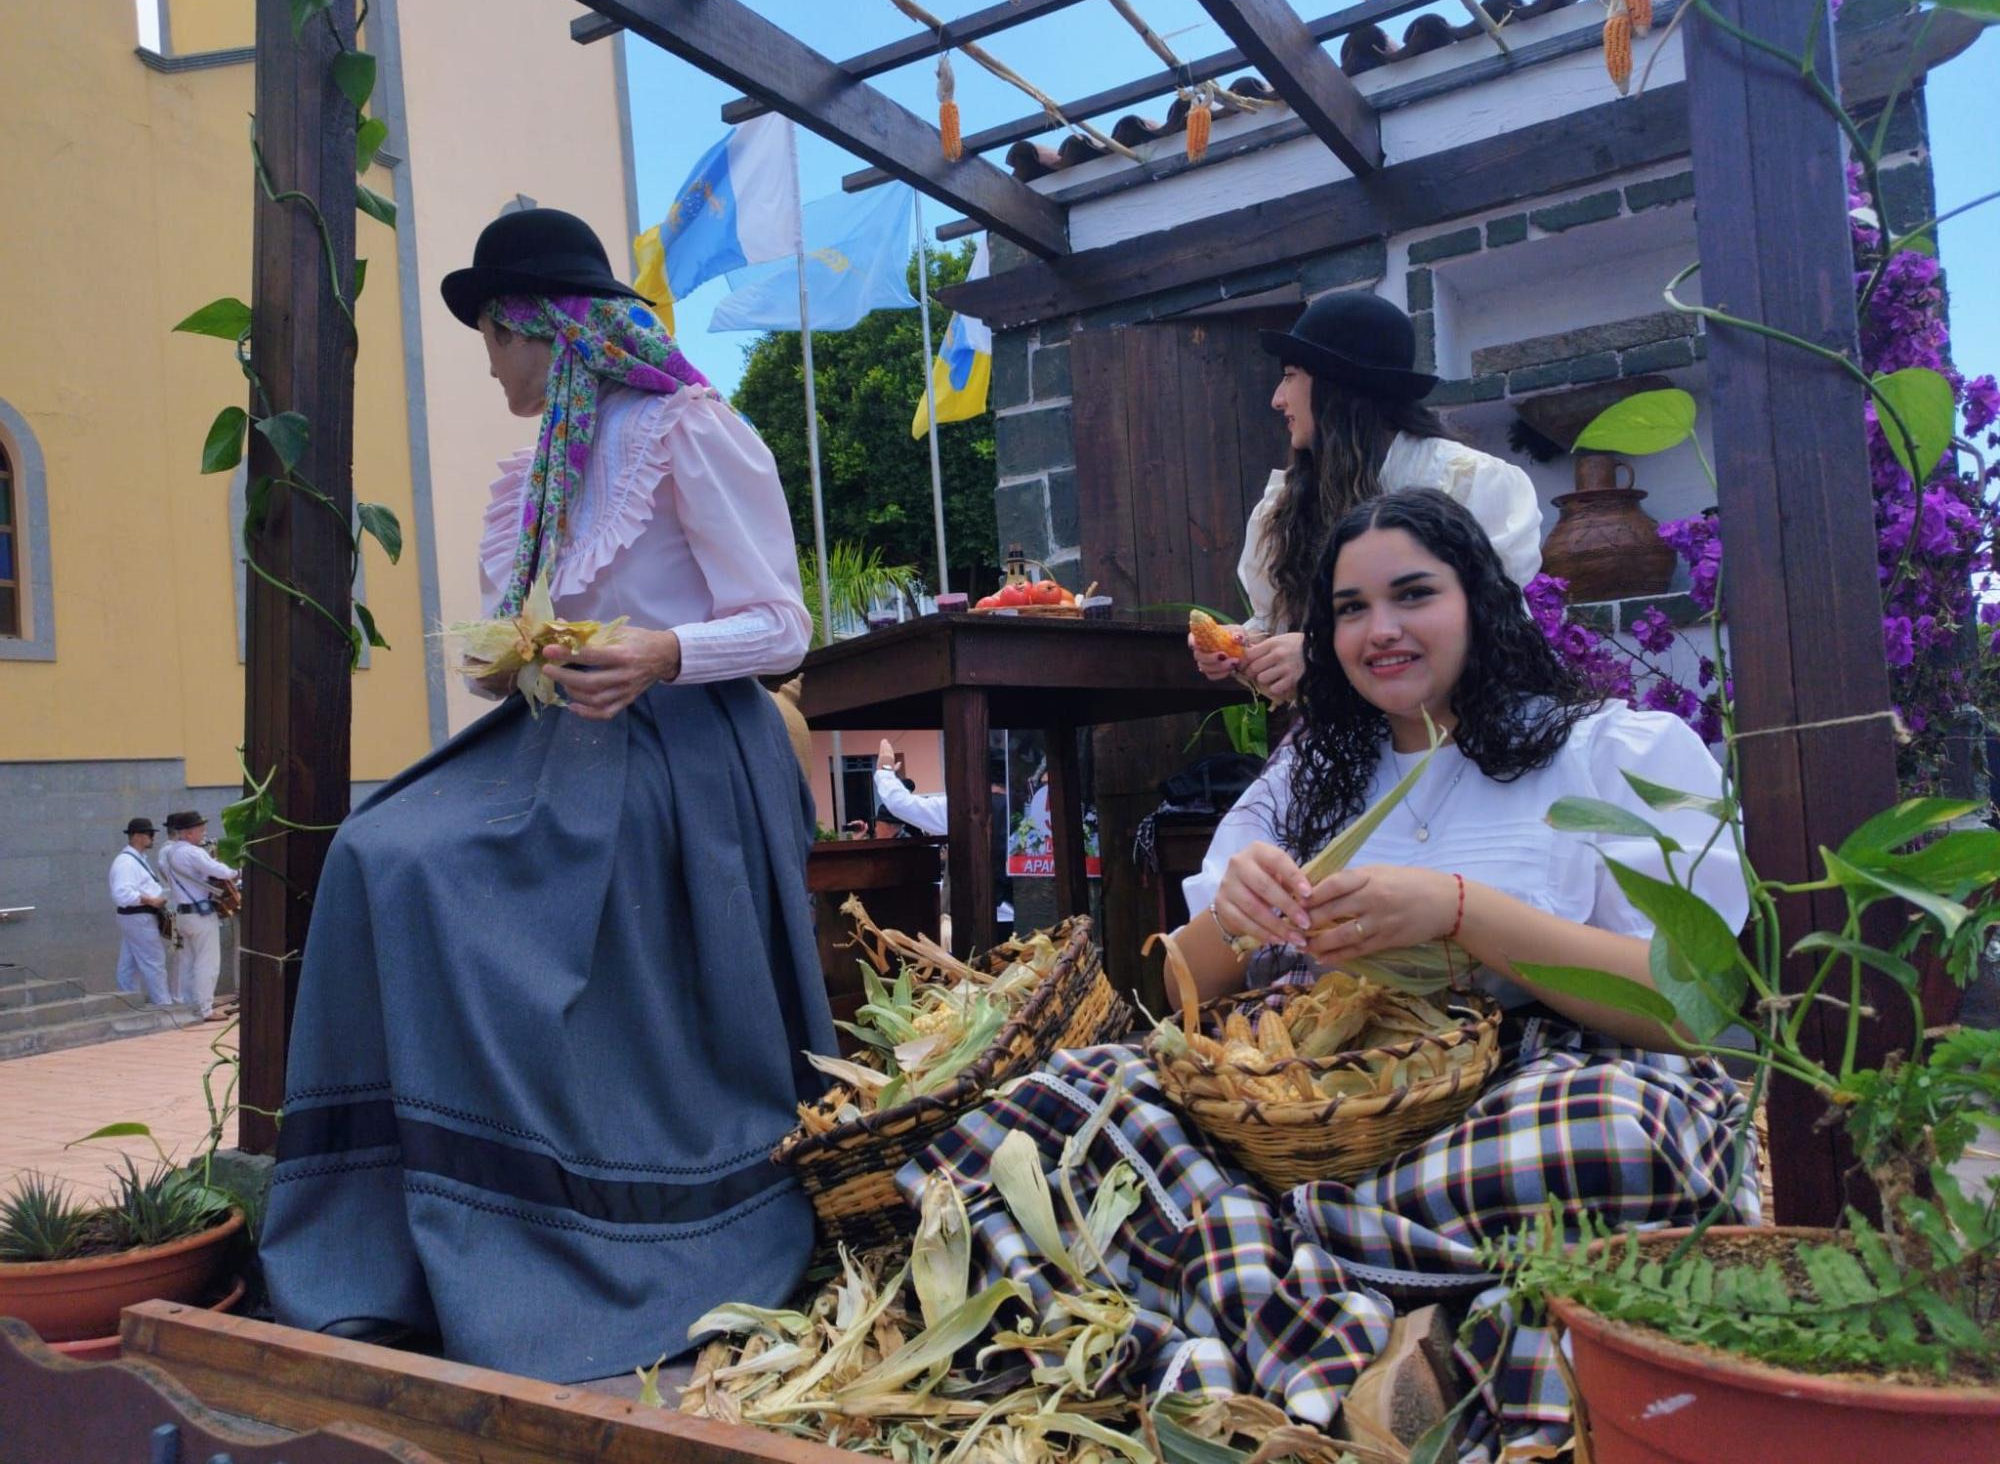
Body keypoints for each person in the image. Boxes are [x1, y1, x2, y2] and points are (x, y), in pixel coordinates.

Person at [912, 491, 1753, 1458]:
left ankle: (1276, 1297)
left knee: (1614, 1130)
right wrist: (1237, 911)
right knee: (1069, 1098)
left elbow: (1689, 1009)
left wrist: (1461, 912)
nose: (1379, 630)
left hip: (1518, 1092)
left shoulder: (1602, 752)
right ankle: (1384, 1336)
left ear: (1480, 601)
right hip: (1306, 1114)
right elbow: (1178, 980)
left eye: (1412, 595)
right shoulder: (1309, 774)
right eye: (1350, 609)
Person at [258, 207, 837, 1383]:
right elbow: (506, 655)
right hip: (555, 743)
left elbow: (783, 623)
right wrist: (511, 652)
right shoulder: (532, 476)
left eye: (495, 336)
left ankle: (587, 1211)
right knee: (379, 849)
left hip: (687, 746)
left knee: (445, 877)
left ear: (546, 331)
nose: (487, 360)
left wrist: (662, 653)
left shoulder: (690, 429)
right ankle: (397, 1229)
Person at [1189, 290, 1542, 705]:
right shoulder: (1285, 503)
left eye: (1290, 375)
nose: (1277, 398)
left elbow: (1492, 629)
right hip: (1343, 742)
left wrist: (1318, 656)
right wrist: (1248, 645)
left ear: (1335, 385)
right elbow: (1282, 625)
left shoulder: (1467, 482)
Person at [157, 811, 239, 1023]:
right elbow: (219, 871)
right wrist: (235, 871)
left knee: (188, 962)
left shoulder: (169, 853)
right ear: (188, 832)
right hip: (200, 914)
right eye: (200, 829)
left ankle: (189, 1005)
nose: (203, 832)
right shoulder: (192, 853)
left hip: (183, 914)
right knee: (207, 962)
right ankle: (205, 1009)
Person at [108, 818, 171, 1006]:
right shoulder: (126, 862)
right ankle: (163, 1005)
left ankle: (128, 1001)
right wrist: (152, 900)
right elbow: (123, 894)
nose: (153, 838)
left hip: (137, 916)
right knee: (154, 961)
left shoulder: (135, 859)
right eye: (149, 834)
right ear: (136, 836)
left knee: (130, 964)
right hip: (138, 916)